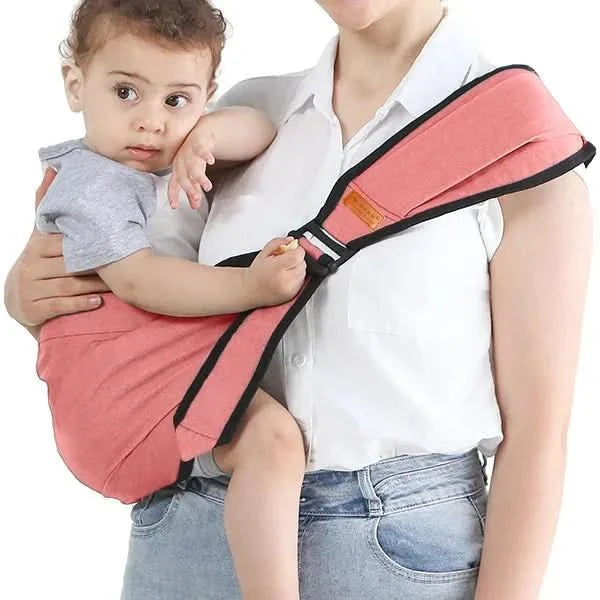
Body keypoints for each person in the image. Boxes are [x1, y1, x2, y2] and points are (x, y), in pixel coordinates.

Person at [4, 1, 592, 599]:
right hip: (187, 527)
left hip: (394, 557)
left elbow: (537, 436)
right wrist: (28, 302)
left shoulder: (519, 143)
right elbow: (136, 317)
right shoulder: (229, 119)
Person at [26, 1, 312, 599]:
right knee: (273, 440)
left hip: (146, 380)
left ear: (205, 96)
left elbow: (262, 131)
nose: (151, 122)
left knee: (272, 444)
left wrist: (205, 134)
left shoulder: (168, 163)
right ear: (76, 85)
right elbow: (139, 281)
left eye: (176, 100)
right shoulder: (91, 182)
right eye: (126, 93)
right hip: (116, 393)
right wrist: (251, 287)